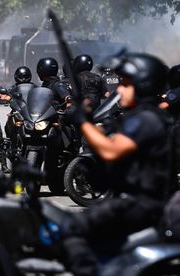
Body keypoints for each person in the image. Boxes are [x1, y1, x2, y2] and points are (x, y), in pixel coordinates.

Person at [61, 53, 176, 276]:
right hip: (138, 202)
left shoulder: (146, 119)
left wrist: (82, 123)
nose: (119, 90)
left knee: (70, 229)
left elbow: (111, 151)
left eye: (125, 84)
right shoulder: (141, 116)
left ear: (143, 86)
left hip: (141, 205)